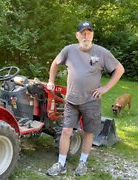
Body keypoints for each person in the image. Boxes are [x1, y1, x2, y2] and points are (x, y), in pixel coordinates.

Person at [46, 21, 124, 176]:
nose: (86, 35)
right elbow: (55, 64)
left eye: (89, 32)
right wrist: (51, 81)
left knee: (88, 132)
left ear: (93, 35)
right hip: (72, 100)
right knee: (66, 130)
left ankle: (82, 163)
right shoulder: (69, 50)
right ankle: (61, 164)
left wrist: (105, 88)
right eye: (83, 33)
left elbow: (119, 69)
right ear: (77, 35)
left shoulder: (102, 53)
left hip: (91, 101)